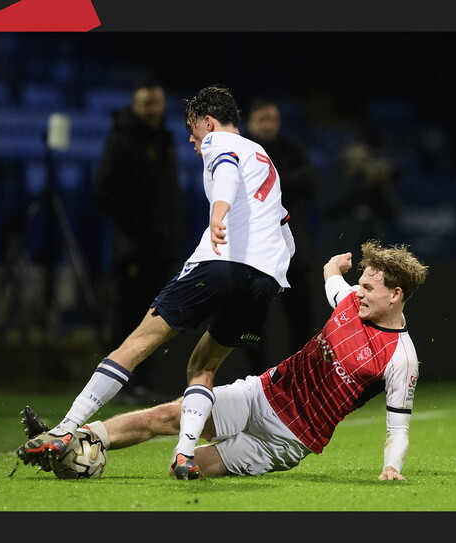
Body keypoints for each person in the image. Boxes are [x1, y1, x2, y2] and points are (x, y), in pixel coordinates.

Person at [17, 85, 295, 479]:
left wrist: (219, 213)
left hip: (221, 261)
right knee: (202, 366)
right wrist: (277, 277)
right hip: (265, 280)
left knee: (137, 343)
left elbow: (227, 170)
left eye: (192, 129)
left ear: (208, 121)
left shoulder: (220, 141)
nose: (192, 139)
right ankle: (185, 454)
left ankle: (63, 430)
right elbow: (286, 229)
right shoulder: (265, 156)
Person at [20, 241, 429, 480]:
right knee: (169, 415)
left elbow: (398, 428)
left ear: (395, 296)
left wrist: (391, 468)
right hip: (261, 393)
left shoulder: (401, 357)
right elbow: (333, 281)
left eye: (369, 287)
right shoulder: (349, 305)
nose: (358, 291)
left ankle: (77, 449)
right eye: (359, 283)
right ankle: (72, 439)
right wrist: (331, 266)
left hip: (286, 440)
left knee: (182, 469)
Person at [93, 80, 185, 404]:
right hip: (133, 247)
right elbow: (104, 192)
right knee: (129, 315)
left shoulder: (165, 138)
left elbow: (170, 197)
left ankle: (143, 383)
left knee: (154, 317)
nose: (152, 110)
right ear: (135, 105)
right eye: (146, 104)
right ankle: (122, 385)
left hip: (159, 249)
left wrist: (170, 237)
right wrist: (144, 226)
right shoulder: (122, 137)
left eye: (156, 103)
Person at [244, 98, 319, 371]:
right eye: (262, 120)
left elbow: (310, 180)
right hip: (254, 247)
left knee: (301, 315)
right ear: (249, 122)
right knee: (251, 318)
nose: (268, 125)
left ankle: (297, 374)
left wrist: (272, 183)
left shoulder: (291, 147)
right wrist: (284, 185)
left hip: (292, 246)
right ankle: (256, 379)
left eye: (272, 119)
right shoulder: (244, 150)